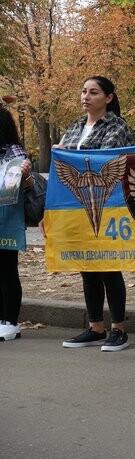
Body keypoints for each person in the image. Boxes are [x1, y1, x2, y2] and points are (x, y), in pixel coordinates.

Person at [58, 76, 135, 351]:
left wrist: (65, 154)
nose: (86, 96)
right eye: (83, 91)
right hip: (77, 205)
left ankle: (119, 329)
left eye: (93, 92)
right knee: (87, 265)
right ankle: (95, 327)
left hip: (108, 204)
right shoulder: (76, 126)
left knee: (108, 265)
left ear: (109, 98)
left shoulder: (116, 126)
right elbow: (62, 157)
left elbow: (106, 160)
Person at [0, 106, 33, 342]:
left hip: (6, 220)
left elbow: (20, 186)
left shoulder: (15, 153)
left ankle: (10, 321)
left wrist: (26, 174)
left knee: (7, 271)